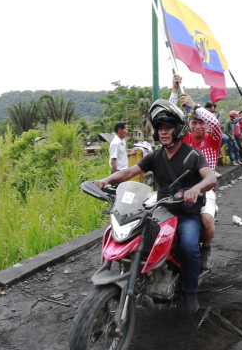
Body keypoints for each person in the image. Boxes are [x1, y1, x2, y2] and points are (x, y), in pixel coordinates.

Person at [95, 99, 216, 313]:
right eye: (160, 128)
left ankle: (190, 290)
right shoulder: (155, 156)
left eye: (168, 127)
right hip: (162, 211)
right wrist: (106, 180)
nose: (163, 132)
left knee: (188, 245)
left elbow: (211, 178)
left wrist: (196, 189)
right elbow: (127, 173)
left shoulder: (192, 155)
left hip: (186, 213)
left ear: (178, 129)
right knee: (134, 236)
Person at [171, 75, 222, 271]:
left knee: (206, 219)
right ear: (190, 125)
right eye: (194, 122)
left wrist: (195, 106)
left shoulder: (213, 139)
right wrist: (174, 91)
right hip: (180, 187)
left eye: (202, 122)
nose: (198, 125)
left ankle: (206, 249)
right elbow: (171, 118)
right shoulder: (185, 139)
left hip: (205, 188)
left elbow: (215, 123)